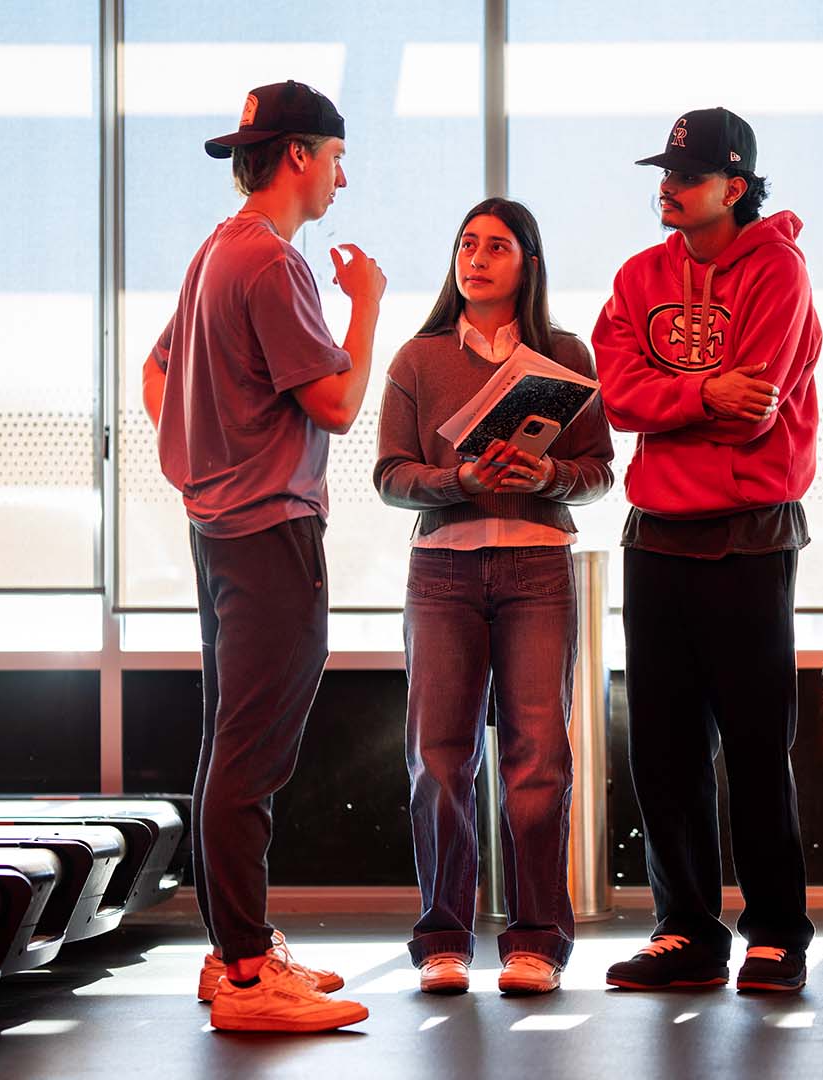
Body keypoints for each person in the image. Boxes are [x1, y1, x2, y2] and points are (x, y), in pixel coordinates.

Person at [141, 79, 382, 1033]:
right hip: (270, 534)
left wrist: (201, 466)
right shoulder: (275, 264)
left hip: (220, 530)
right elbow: (337, 403)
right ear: (297, 157)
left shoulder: (216, 253)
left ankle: (233, 948)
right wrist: (366, 304)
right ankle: (246, 976)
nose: (341, 178)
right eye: (334, 158)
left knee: (229, 747)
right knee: (249, 756)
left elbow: (158, 372)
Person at [590, 107, 821, 993]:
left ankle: (777, 931)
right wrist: (697, 395)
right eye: (665, 173)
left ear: (735, 185)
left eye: (687, 176)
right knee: (663, 749)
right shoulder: (638, 274)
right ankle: (686, 927)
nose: (668, 187)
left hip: (748, 536)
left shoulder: (779, 270)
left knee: (758, 746)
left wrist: (670, 397)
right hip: (656, 536)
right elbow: (616, 394)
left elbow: (754, 404)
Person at [374, 198, 614, 996]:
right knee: (438, 760)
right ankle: (443, 939)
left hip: (539, 570)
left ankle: (537, 941)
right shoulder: (416, 359)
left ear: (528, 264)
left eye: (496, 246)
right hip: (441, 573)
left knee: (538, 760)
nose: (475, 258)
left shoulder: (566, 355)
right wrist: (459, 481)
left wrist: (548, 476)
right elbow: (391, 478)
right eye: (466, 244)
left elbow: (599, 471)